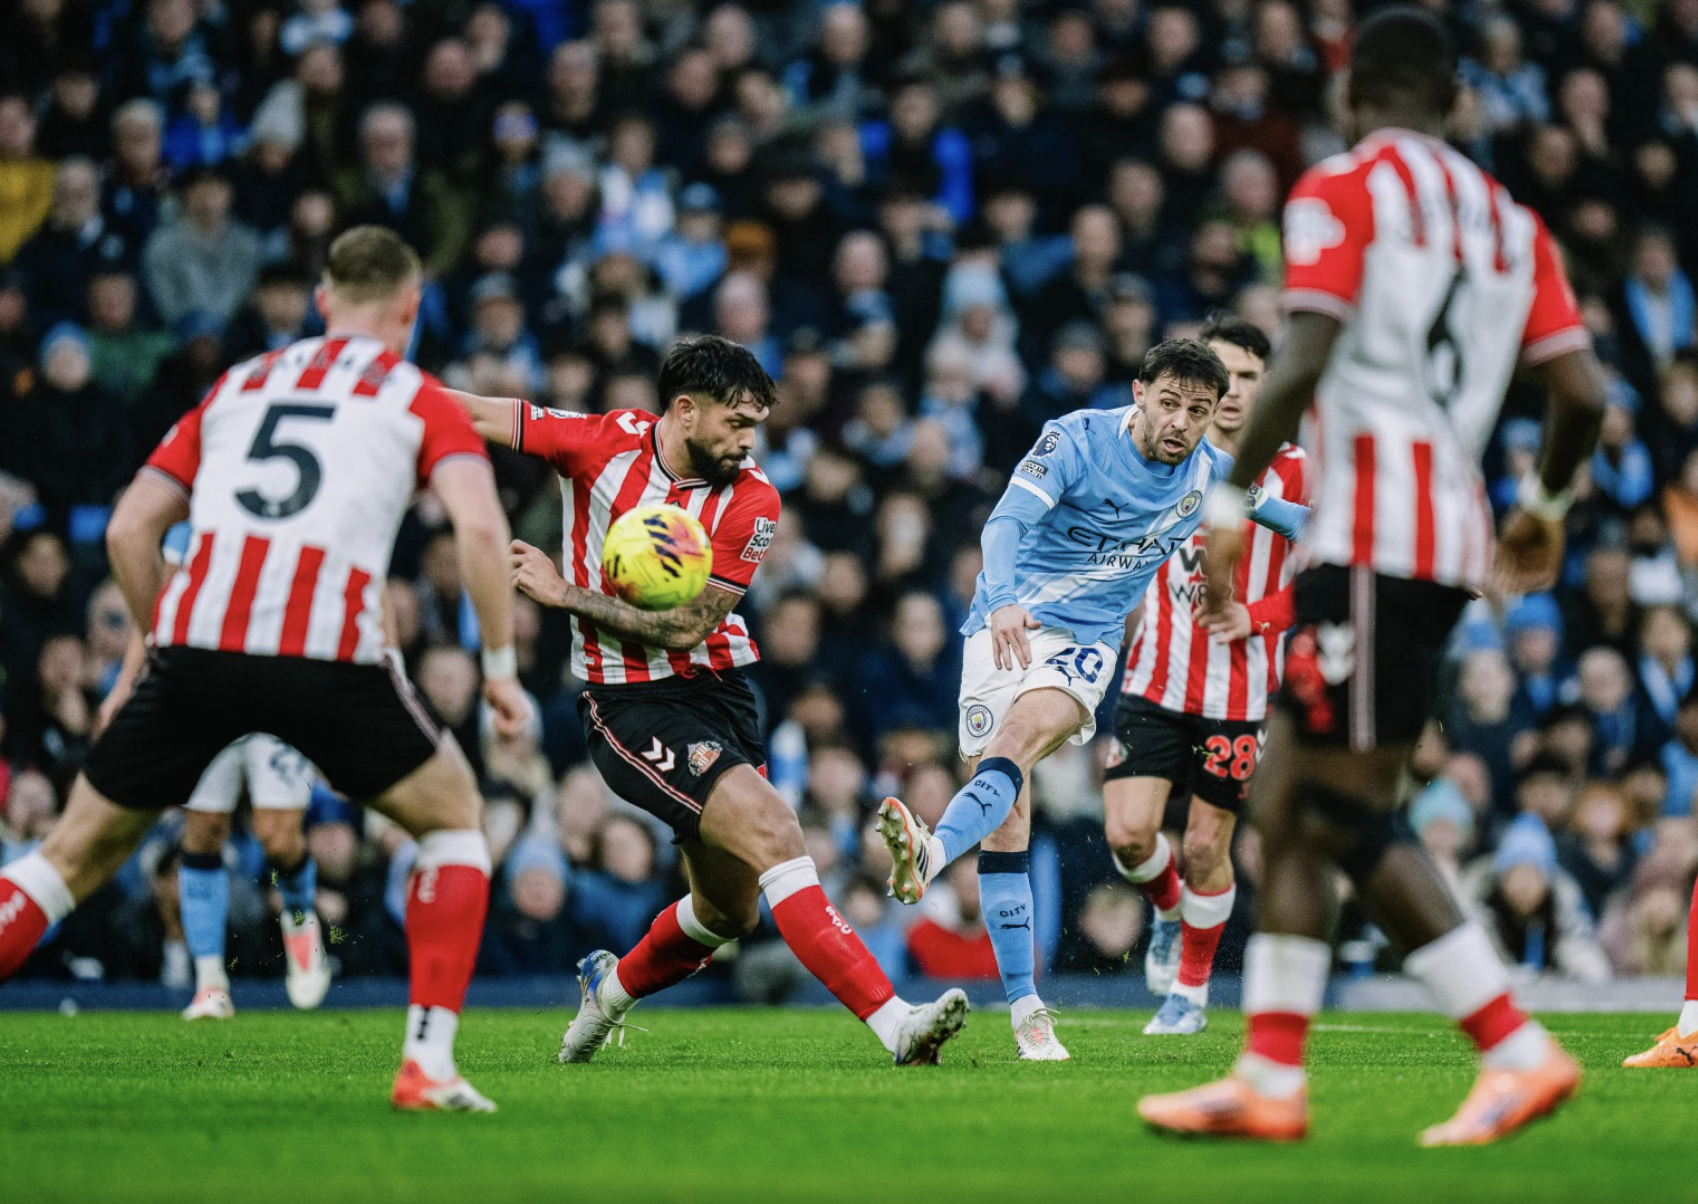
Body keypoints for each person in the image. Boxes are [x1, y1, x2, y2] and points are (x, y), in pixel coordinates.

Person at [1137, 8, 1607, 1145]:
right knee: (1292, 805)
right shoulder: (1512, 223)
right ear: (1455, 101)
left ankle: (1514, 1047)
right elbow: (1583, 394)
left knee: (1339, 811)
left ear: (1349, 96)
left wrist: (1230, 504)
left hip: (1369, 541)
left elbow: (1301, 356)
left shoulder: (1342, 188)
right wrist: (1543, 509)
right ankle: (1270, 1076)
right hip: (1446, 536)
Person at [0, 226, 530, 1113]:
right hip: (325, 653)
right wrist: (502, 668)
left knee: (64, 859)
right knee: (454, 826)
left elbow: (130, 528)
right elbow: (478, 528)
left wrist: (159, 645)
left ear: (321, 303)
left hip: (197, 651)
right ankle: (426, 1065)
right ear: (410, 310)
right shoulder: (416, 395)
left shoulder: (239, 384)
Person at [450, 335, 970, 1066]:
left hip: (721, 694)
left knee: (728, 910)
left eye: (756, 425)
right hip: (628, 702)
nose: (749, 441)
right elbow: (473, 413)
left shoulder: (753, 498)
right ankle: (898, 1026)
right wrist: (365, 394)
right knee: (778, 830)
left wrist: (565, 593)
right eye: (737, 423)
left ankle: (606, 991)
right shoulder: (600, 445)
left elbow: (689, 626)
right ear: (686, 411)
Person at [874, 337, 1308, 1061]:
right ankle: (1027, 1012)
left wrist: (1411, 558)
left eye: (1198, 410)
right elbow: (1004, 523)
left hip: (1085, 645)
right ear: (1140, 393)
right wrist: (1004, 601)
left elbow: (1294, 519)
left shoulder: (1211, 472)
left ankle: (932, 850)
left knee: (1016, 743)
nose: (1181, 422)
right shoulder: (1074, 440)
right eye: (1169, 403)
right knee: (1007, 824)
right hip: (1003, 624)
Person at [1105, 313, 1306, 1035]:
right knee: (1130, 838)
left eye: (1249, 377)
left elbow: (1335, 565)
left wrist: (1261, 614)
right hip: (1154, 678)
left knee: (1203, 847)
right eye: (1222, 375)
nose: (1233, 391)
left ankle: (1188, 996)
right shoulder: (1156, 451)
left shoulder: (1295, 470)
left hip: (1240, 695)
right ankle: (1167, 910)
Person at [176, 733, 328, 1020]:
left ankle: (299, 918)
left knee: (278, 840)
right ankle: (209, 984)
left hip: (274, 712)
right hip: (208, 713)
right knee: (204, 831)